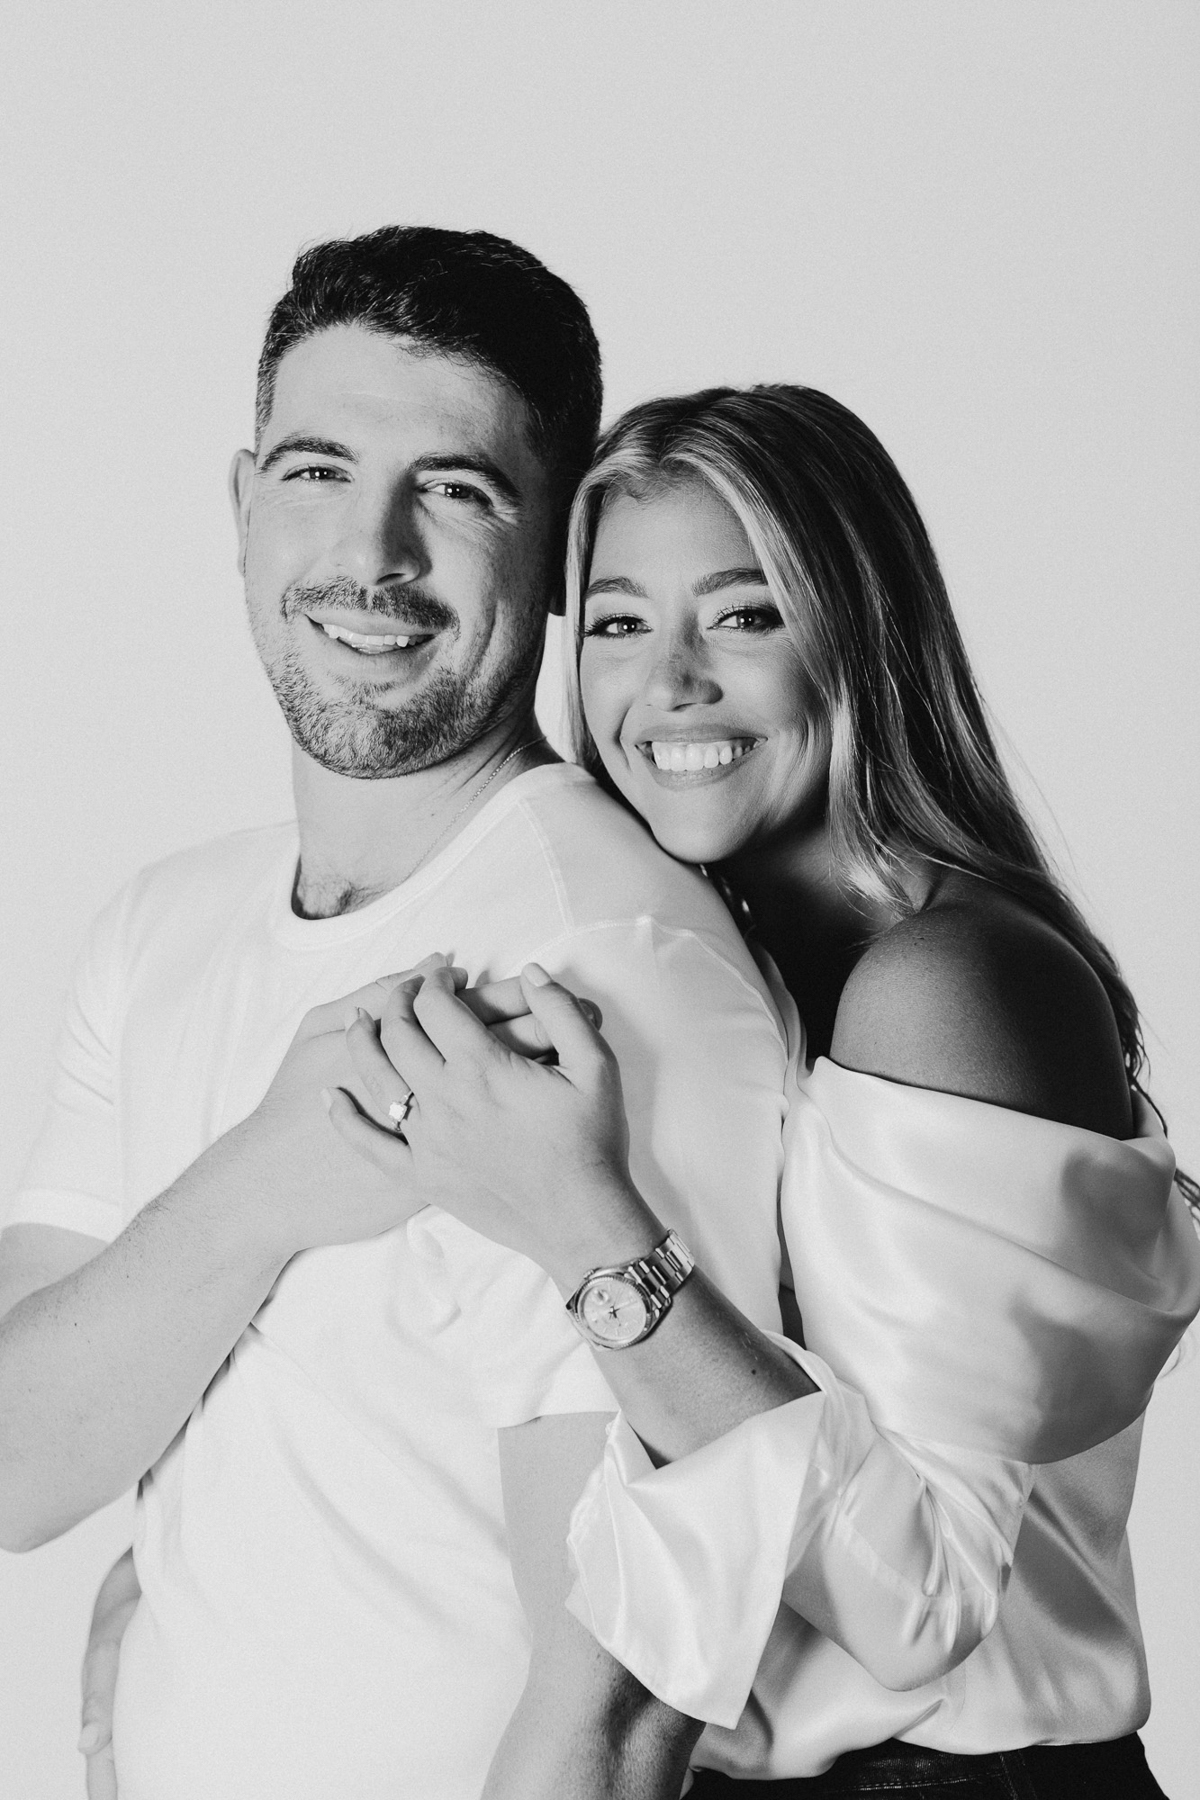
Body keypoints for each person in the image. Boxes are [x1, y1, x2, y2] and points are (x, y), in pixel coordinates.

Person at [0, 234, 797, 1800]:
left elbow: (617, 1716)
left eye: (454, 489)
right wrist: (258, 1192)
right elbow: (21, 1463)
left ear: (557, 560)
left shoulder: (601, 965)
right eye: (316, 470)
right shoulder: (166, 924)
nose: (370, 553)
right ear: (240, 508)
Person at [328, 386, 1200, 1796]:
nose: (668, 685)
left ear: (857, 639)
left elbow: (914, 1600)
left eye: (743, 614)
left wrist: (585, 1224)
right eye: (618, 622)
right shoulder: (724, 971)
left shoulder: (949, 980)